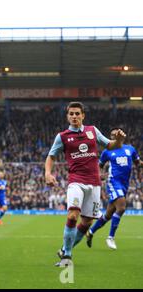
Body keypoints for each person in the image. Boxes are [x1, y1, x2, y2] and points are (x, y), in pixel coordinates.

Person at [45, 102, 125, 267]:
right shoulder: (63, 136)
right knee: (73, 215)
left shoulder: (92, 131)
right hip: (76, 181)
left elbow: (111, 145)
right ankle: (67, 256)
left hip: (94, 183)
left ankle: (64, 249)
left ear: (83, 115)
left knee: (87, 221)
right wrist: (48, 173)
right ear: (68, 116)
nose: (74, 116)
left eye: (77, 113)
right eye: (71, 114)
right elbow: (51, 156)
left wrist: (119, 140)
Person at [85, 128, 142, 250]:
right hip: (113, 182)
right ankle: (110, 237)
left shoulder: (130, 149)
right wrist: (99, 175)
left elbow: (138, 163)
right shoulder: (107, 152)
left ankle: (90, 232)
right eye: (111, 136)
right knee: (121, 208)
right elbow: (98, 166)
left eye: (115, 135)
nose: (113, 137)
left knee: (108, 215)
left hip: (124, 184)